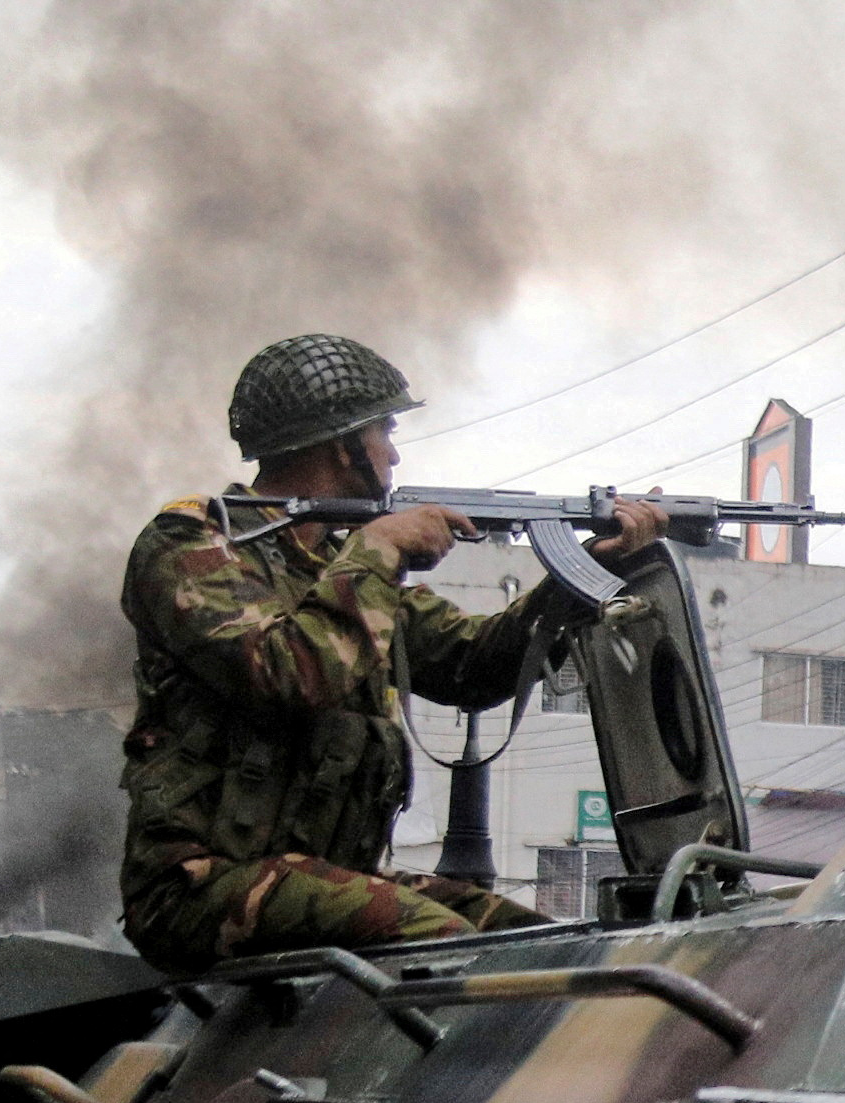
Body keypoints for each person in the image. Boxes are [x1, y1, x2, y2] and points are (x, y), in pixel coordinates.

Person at [119, 334, 660, 975]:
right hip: (199, 889)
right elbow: (290, 675)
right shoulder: (190, 548)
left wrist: (577, 579)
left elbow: (473, 665)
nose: (395, 452)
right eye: (387, 432)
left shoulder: (334, 568)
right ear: (345, 444)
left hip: (330, 880)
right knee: (444, 939)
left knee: (537, 944)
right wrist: (379, 550)